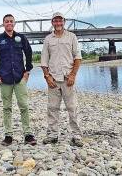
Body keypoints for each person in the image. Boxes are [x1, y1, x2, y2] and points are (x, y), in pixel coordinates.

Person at [0, 14, 36, 146]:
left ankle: (28, 134)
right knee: (7, 107)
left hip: (20, 77)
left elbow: (29, 54)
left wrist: (27, 71)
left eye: (11, 21)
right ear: (3, 23)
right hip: (4, 79)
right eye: (6, 21)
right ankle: (8, 135)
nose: (9, 23)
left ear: (14, 23)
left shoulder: (21, 38)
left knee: (24, 106)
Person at [40, 12, 84, 147]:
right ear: (52, 23)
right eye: (55, 21)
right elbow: (44, 60)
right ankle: (52, 135)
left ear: (64, 22)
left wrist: (73, 75)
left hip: (67, 79)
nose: (58, 23)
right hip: (53, 79)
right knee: (52, 108)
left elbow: (77, 57)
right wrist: (47, 77)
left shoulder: (72, 37)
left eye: (60, 21)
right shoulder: (48, 39)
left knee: (72, 108)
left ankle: (76, 136)